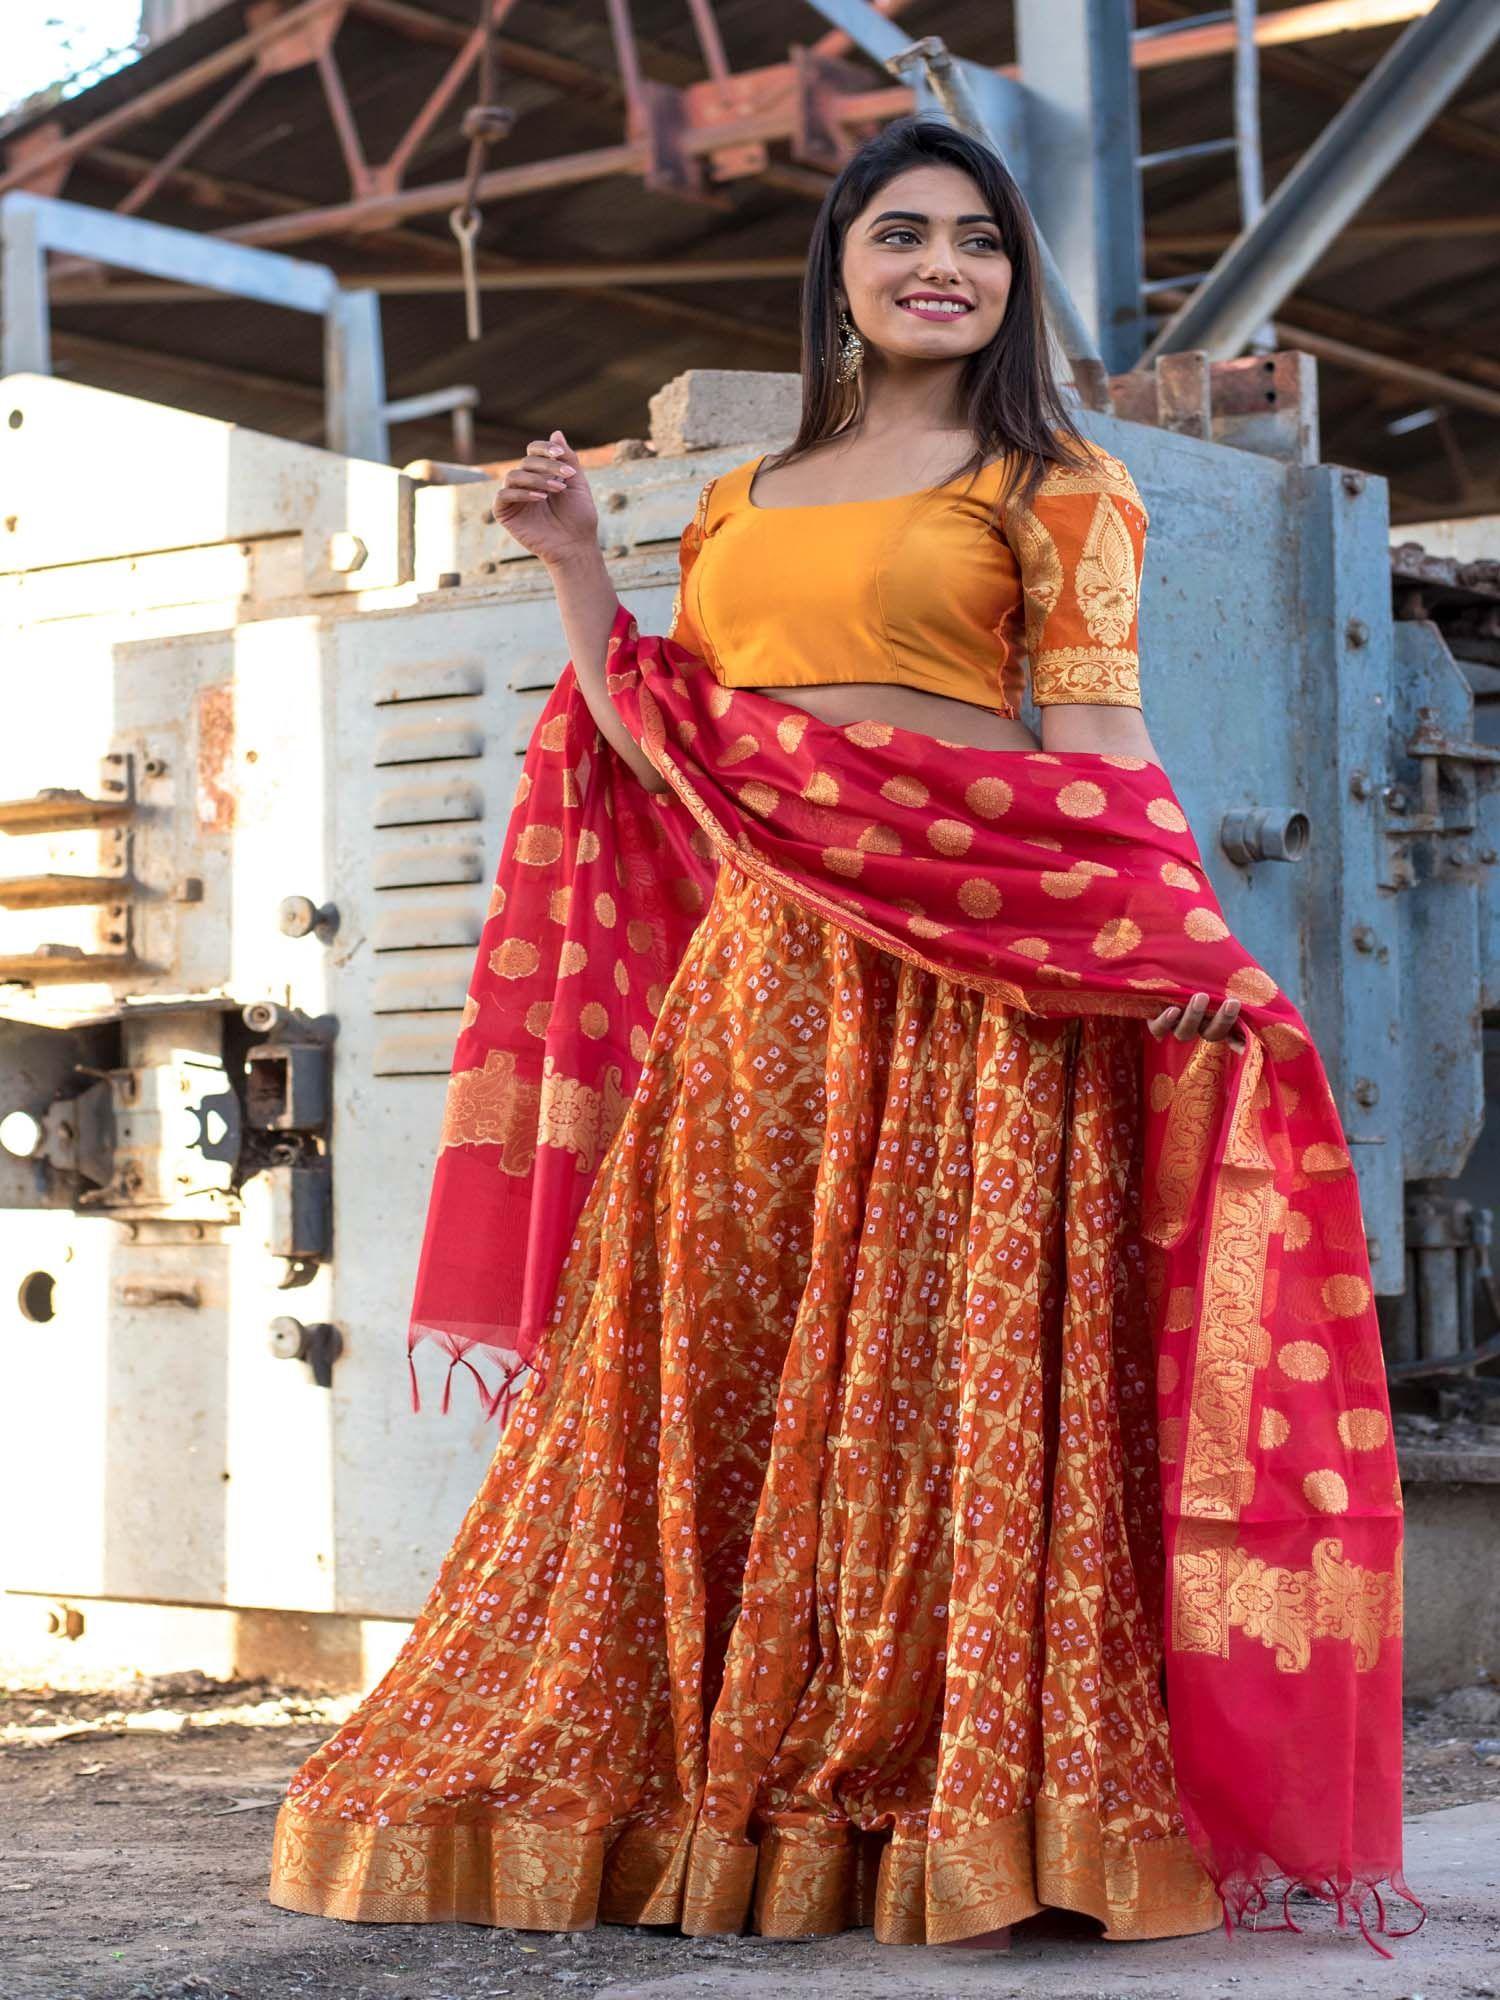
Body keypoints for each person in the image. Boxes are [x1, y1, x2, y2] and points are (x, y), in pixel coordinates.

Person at [268, 116, 1412, 1953]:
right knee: (709, 1366)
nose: (939, 263)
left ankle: (931, 1806)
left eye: (978, 238)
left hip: (978, 995)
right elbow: (679, 751)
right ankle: (688, 1790)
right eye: (901, 234)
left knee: (934, 1392)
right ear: (843, 269)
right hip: (761, 993)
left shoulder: (1056, 491)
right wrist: (576, 569)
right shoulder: (742, 504)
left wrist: (1187, 950)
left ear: (1017, 280)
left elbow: (1099, 764)